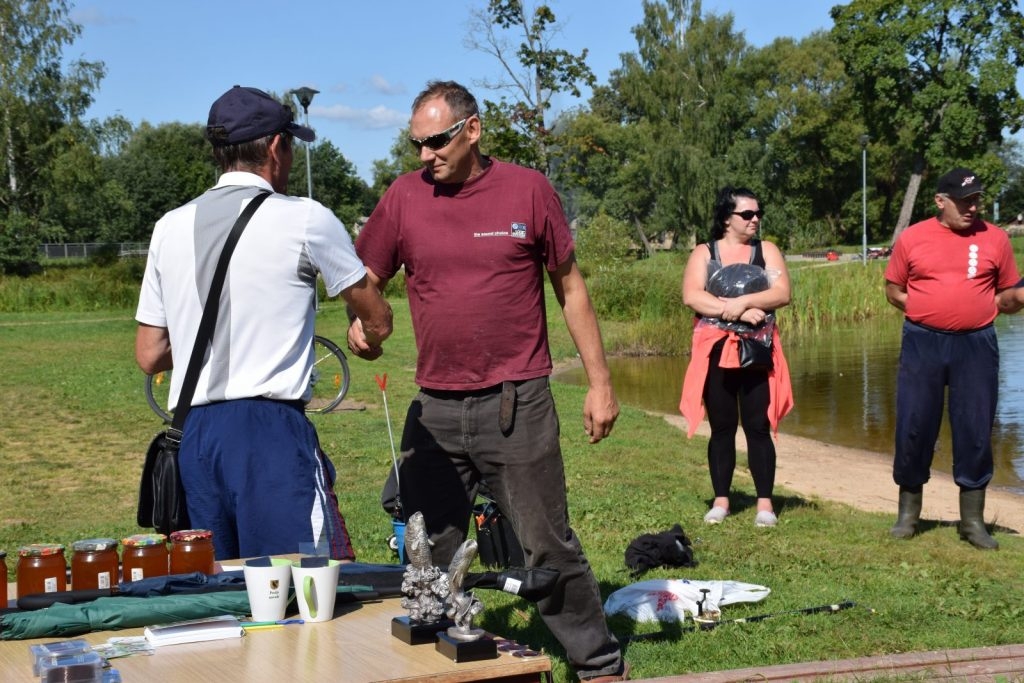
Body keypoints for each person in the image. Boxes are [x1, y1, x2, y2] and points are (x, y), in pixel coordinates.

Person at [350, 80, 629, 683]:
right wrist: (363, 325)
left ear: (472, 130)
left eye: (436, 142)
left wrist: (600, 382)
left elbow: (571, 288)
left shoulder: (528, 190)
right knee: (431, 547)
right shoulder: (403, 197)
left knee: (547, 544)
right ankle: (447, 663)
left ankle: (600, 664)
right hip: (437, 410)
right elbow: (366, 279)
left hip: (517, 402)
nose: (425, 156)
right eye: (417, 144)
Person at [135, 85, 393, 561]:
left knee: (214, 596)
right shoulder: (305, 218)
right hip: (269, 432)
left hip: (194, 433)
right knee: (301, 588)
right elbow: (376, 317)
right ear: (277, 146)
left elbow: (150, 354)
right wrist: (368, 334)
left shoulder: (169, 226)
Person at [884, 167, 1020, 550]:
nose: (972, 207)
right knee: (914, 424)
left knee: (975, 429)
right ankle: (908, 516)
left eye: (976, 199)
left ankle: (972, 522)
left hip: (977, 345)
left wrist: (1016, 300)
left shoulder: (995, 239)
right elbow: (893, 289)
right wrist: (927, 309)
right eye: (964, 201)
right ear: (940, 201)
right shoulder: (913, 238)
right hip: (922, 343)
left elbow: (1006, 297)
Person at [679, 186, 793, 528]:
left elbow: (782, 292)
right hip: (715, 349)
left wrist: (745, 303)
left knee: (758, 426)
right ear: (727, 219)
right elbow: (692, 296)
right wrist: (737, 313)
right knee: (723, 427)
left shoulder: (766, 250)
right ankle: (721, 501)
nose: (755, 219)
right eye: (747, 214)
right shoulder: (705, 252)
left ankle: (764, 506)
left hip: (757, 349)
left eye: (759, 213)